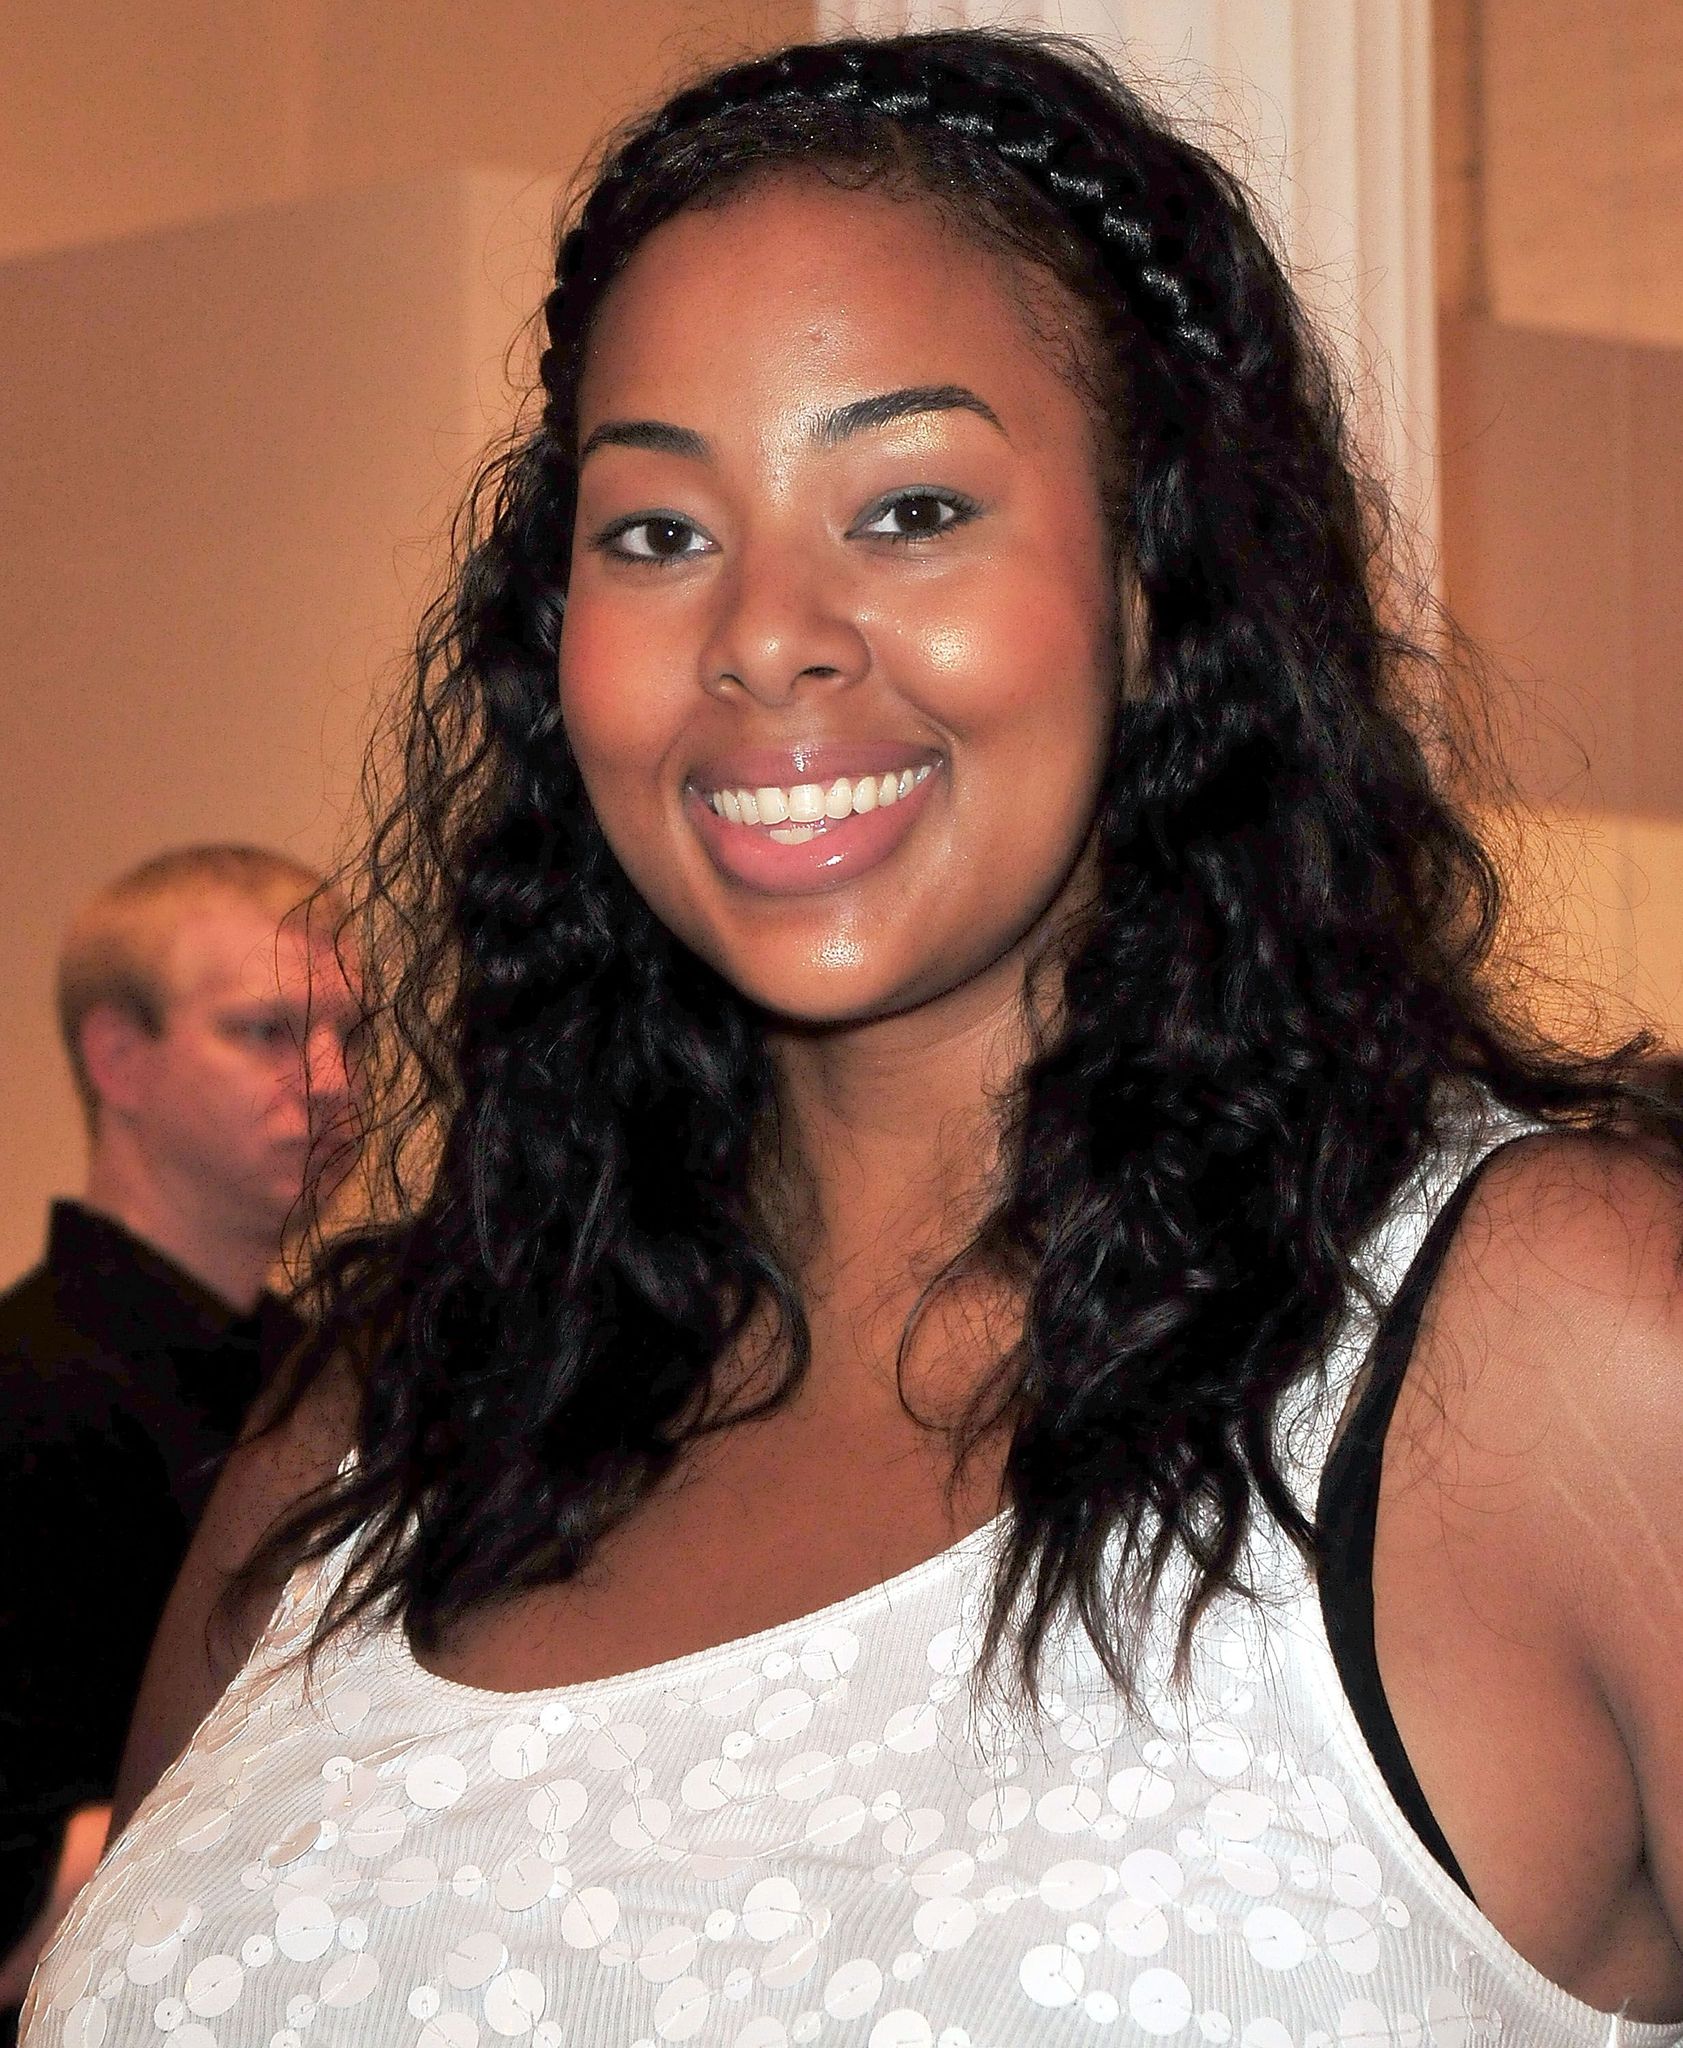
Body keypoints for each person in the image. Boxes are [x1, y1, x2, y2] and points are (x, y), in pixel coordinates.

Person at [22, 30, 1683, 2046]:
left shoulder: (1558, 1351)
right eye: (656, 531)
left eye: (906, 506)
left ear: (1152, 577)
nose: (761, 633)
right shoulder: (386, 1424)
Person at [0, 846, 360, 2035]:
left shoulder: (335, 1377)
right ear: (119, 1058)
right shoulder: (30, 1389)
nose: (333, 1080)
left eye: (352, 1035)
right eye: (268, 1031)